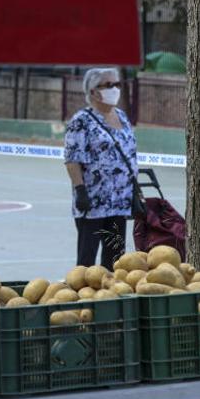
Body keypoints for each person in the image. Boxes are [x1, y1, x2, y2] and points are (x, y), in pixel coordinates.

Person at [64, 67, 138, 270]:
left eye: (117, 84)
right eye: (109, 85)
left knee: (115, 259)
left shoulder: (122, 117)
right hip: (93, 203)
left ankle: (110, 297)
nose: (115, 89)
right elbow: (72, 159)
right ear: (93, 91)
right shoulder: (81, 121)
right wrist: (80, 190)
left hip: (120, 202)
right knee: (87, 261)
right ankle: (83, 297)